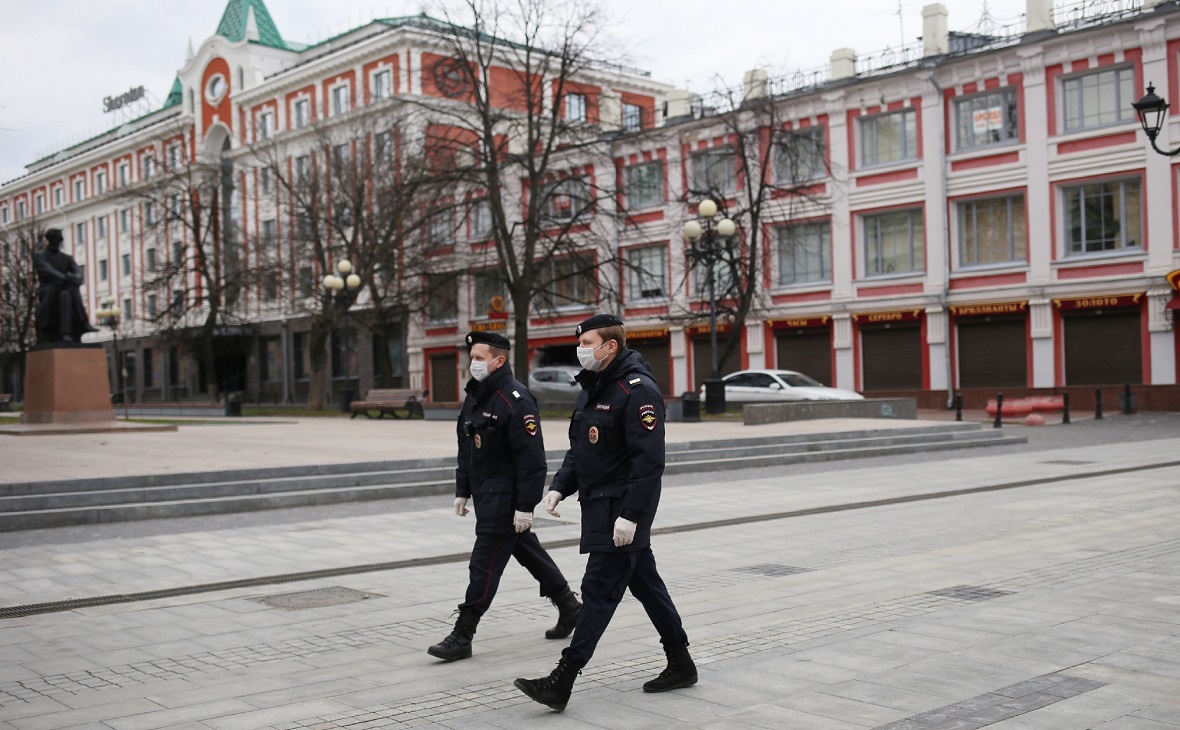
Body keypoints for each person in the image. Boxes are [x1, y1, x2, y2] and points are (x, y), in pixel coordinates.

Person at [514, 314, 695, 712]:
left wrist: (632, 516)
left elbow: (648, 463)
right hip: (600, 507)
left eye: (587, 343)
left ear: (610, 346)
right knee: (646, 585)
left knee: (598, 590)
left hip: (622, 512)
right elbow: (582, 449)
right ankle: (681, 662)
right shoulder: (595, 388)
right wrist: (560, 485)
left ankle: (561, 680)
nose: (581, 350)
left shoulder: (637, 391)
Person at [428, 331, 582, 661]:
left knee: (482, 567)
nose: (473, 364)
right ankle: (570, 607)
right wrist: (462, 489)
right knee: (528, 551)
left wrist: (525, 506)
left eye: (480, 358)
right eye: (472, 358)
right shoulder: (476, 396)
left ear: (499, 361)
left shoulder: (516, 399)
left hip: (505, 501)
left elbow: (533, 459)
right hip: (485, 496)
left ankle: (463, 634)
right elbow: (467, 447)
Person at [33, 228, 98, 344]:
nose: (58, 241)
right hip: (48, 290)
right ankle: (84, 323)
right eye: (56, 239)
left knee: (66, 293)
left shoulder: (66, 258)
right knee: (70, 287)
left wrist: (77, 277)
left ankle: (66, 332)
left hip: (65, 289)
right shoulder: (40, 256)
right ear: (49, 240)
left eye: (60, 239)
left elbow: (78, 271)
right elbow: (48, 271)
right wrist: (67, 278)